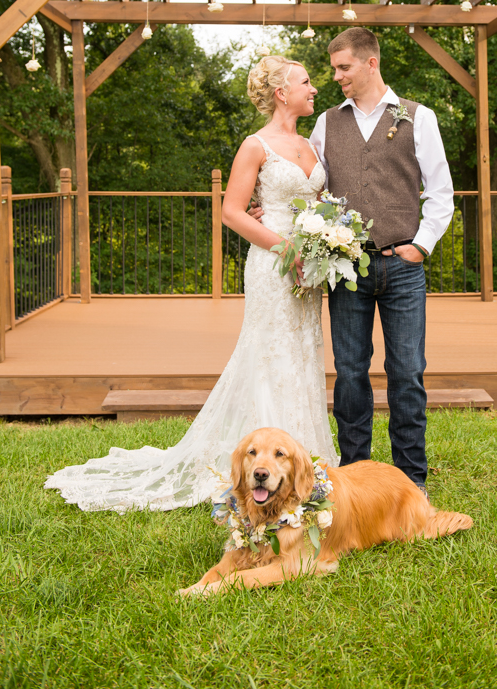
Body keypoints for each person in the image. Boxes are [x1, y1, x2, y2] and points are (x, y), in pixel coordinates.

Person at [44, 56, 338, 513]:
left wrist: (324, 239)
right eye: (306, 82)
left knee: (303, 352)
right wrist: (287, 248)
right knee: (269, 352)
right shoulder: (255, 145)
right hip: (273, 264)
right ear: (283, 93)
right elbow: (232, 212)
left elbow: (319, 202)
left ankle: (302, 462)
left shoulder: (314, 144)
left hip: (309, 269)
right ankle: (261, 463)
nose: (314, 88)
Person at [252, 28, 454, 491]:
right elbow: (310, 186)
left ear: (370, 64)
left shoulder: (419, 118)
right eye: (334, 68)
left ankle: (410, 479)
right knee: (349, 374)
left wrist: (420, 246)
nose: (336, 76)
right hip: (344, 269)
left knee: (407, 372)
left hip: (403, 267)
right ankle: (355, 478)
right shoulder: (326, 122)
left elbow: (441, 193)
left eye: (344, 67)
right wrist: (264, 206)